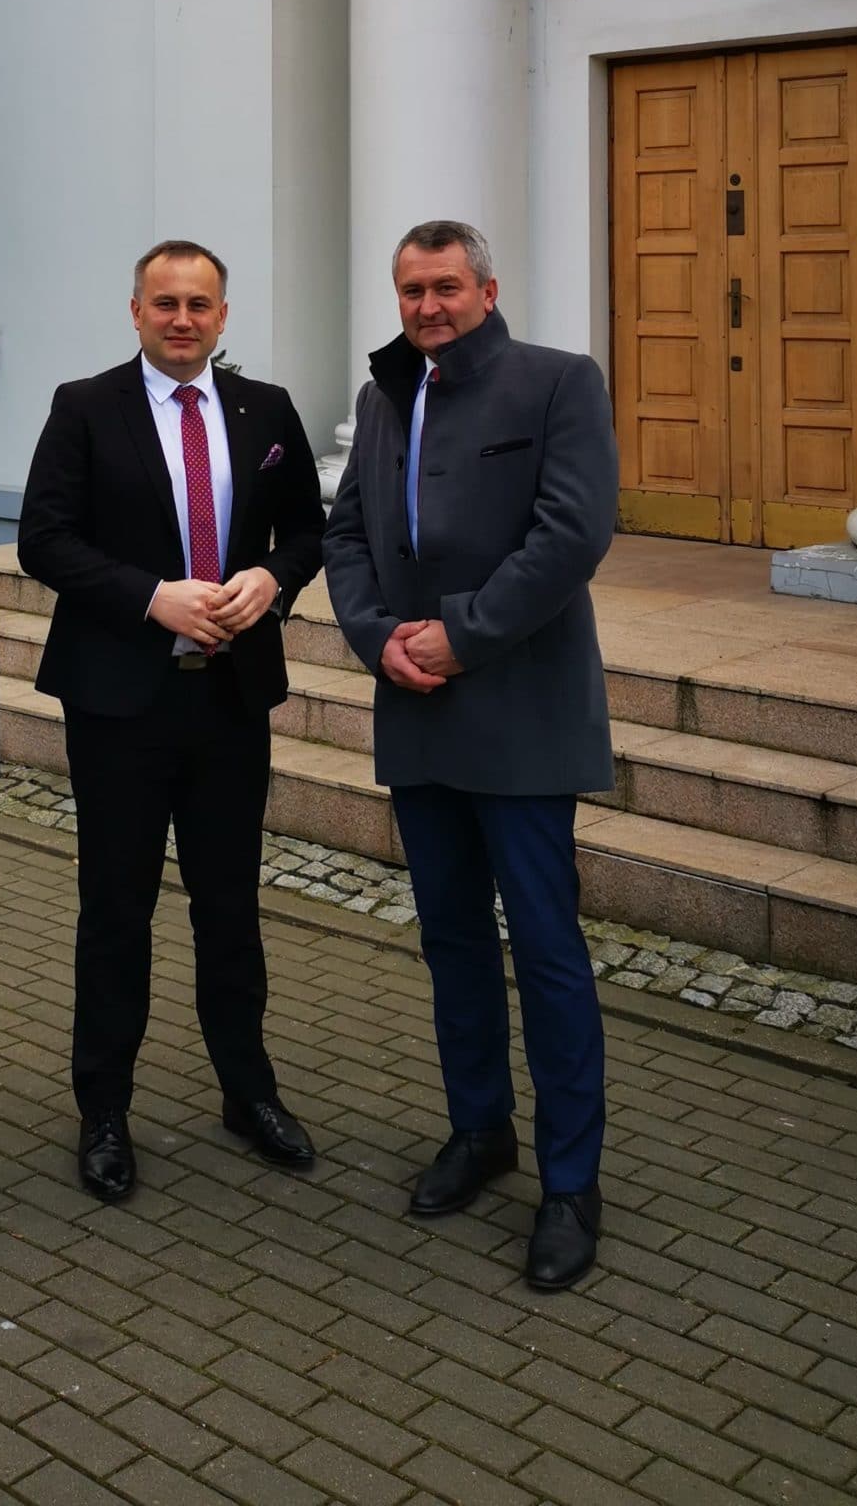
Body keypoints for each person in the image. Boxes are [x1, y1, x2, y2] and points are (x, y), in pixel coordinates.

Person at [322, 221, 618, 1292]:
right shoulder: (384, 396)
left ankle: (571, 1184)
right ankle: (480, 1129)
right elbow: (347, 534)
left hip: (523, 715)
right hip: (419, 712)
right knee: (450, 940)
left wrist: (463, 633)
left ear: (488, 290)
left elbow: (573, 533)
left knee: (545, 950)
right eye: (412, 288)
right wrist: (378, 639)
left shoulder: (558, 382)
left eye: (446, 286)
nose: (428, 305)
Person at [18, 240, 328, 1201]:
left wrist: (272, 577)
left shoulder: (265, 409)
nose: (183, 319)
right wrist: (151, 597)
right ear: (136, 311)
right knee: (117, 908)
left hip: (230, 698)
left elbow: (309, 530)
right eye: (166, 303)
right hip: (121, 701)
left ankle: (248, 1091)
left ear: (223, 315)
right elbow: (43, 540)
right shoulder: (84, 406)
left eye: (200, 304)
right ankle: (104, 1111)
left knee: (230, 906)